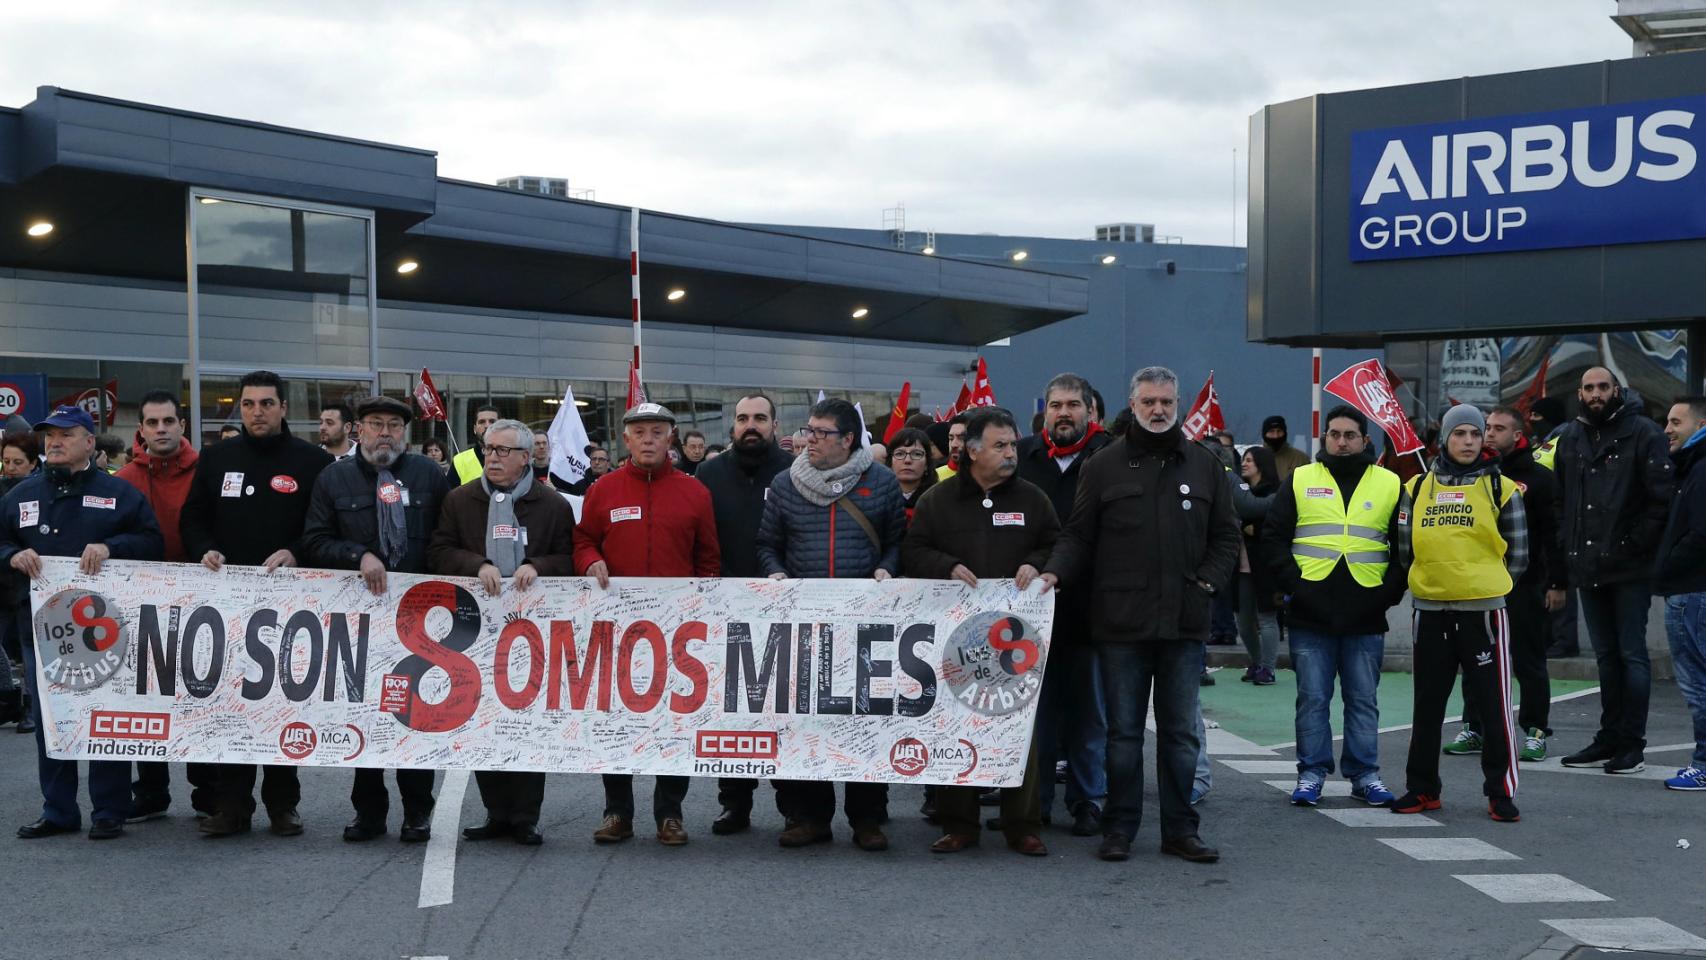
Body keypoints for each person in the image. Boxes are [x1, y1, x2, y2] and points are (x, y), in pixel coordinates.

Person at [1041, 367, 1240, 864]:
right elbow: (1079, 536)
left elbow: (1226, 535)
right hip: (1121, 625)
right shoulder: (1103, 465)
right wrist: (1052, 574)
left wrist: (1208, 582)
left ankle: (1180, 830)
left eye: (1166, 402)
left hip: (1183, 623)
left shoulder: (1204, 464)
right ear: (1132, 403)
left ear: (1177, 406)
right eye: (1149, 401)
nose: (1158, 410)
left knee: (1180, 735)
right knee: (1123, 734)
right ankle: (1120, 829)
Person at [180, 370, 333, 838]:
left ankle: (283, 805)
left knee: (283, 702)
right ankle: (232, 807)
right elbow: (193, 518)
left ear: (284, 407)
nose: (257, 412)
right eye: (248, 404)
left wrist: (296, 551)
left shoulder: (312, 461)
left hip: (290, 604)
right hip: (227, 605)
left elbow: (321, 526)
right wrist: (203, 547)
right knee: (232, 707)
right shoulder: (217, 457)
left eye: (266, 403)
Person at [1, 405, 163, 839]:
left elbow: (152, 541)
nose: (54, 441)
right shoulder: (21, 496)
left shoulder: (120, 494)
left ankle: (109, 810)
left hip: (104, 632)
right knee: (51, 717)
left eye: (66, 434)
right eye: (49, 435)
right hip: (41, 630)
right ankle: (58, 811)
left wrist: (112, 547)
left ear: (89, 442)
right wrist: (10, 555)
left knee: (104, 715)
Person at [903, 406, 1058, 857]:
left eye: (1012, 444)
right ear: (972, 452)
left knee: (1020, 727)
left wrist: (1040, 563)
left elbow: (1057, 542)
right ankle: (959, 823)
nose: (1011, 452)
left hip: (1017, 640)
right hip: (959, 639)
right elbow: (914, 550)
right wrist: (945, 567)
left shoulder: (1032, 499)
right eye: (1000, 445)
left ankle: (1022, 823)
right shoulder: (938, 499)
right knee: (957, 725)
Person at [757, 397, 906, 851]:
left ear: (847, 439)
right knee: (805, 721)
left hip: (865, 626)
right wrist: (774, 574)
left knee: (864, 721)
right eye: (809, 430)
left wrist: (887, 570)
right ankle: (807, 816)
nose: (809, 440)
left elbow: (898, 542)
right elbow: (768, 544)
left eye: (821, 433)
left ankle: (867, 818)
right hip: (803, 626)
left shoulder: (880, 482)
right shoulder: (785, 484)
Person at [302, 395, 452, 843]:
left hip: (419, 620)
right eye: (374, 424)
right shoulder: (334, 477)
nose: (384, 432)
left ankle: (418, 812)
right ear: (357, 430)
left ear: (405, 433)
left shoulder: (429, 475)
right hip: (358, 622)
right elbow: (314, 540)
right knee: (366, 715)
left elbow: (446, 538)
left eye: (393, 425)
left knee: (416, 713)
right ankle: (367, 812)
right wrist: (358, 554)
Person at [573, 402, 718, 846]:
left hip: (678, 632)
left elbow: (709, 559)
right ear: (628, 439)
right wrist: (592, 561)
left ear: (671, 437)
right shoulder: (604, 489)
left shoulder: (695, 492)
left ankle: (669, 813)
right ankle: (617, 811)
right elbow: (582, 540)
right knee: (615, 718)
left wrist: (703, 602)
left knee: (673, 720)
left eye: (657, 431)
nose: (649, 439)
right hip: (615, 629)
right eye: (640, 432)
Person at [428, 418, 575, 845]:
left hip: (534, 631)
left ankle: (525, 816)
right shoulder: (460, 500)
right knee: (484, 719)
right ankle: (496, 813)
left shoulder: (552, 505)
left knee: (526, 722)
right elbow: (438, 550)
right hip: (474, 629)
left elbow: (569, 557)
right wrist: (477, 565)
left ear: (526, 458)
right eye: (488, 448)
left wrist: (538, 566)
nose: (492, 457)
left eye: (503, 451)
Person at [1392, 404, 1528, 822]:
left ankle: (1499, 792)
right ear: (1445, 439)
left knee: (1494, 707)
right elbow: (1403, 551)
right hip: (1430, 613)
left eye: (1475, 433)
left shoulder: (1502, 489)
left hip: (1483, 615)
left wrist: (1480, 586)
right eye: (1460, 434)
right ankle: (1422, 790)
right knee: (1426, 707)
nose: (1469, 441)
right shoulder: (1415, 489)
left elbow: (1519, 555)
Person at [1264, 405, 1404, 807]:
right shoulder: (1301, 479)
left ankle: (1365, 775)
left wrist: (1384, 596)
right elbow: (1273, 539)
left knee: (1363, 699)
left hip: (1365, 610)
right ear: (1324, 438)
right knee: (1312, 697)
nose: (1341, 442)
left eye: (1349, 435)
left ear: (1364, 439)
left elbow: (1405, 551)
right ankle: (1311, 773)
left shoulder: (1390, 483)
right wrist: (1296, 588)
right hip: (1310, 611)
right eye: (1333, 434)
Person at [1554, 368, 1674, 775]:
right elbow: (1562, 500)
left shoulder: (1644, 432)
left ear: (1617, 390)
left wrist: (1630, 546)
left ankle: (1631, 745)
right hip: (1588, 564)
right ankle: (1607, 738)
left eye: (1603, 387)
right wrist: (1566, 551)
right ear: (1580, 393)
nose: (1595, 393)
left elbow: (1661, 501)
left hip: (1629, 567)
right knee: (1606, 657)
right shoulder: (1570, 436)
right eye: (1588, 388)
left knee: (1631, 655)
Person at [115, 390, 217, 821]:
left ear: (182, 426)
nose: (161, 429)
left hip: (201, 603)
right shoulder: (122, 480)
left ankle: (204, 791)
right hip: (141, 606)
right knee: (147, 700)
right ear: (141, 429)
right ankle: (152, 789)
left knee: (199, 697)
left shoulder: (207, 473)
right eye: (152, 422)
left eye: (168, 422)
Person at [1014, 372, 1109, 835]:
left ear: (1090, 411)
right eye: (1056, 405)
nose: (1064, 413)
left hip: (1092, 611)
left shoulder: (1111, 455)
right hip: (1030, 614)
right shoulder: (1024, 458)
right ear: (1045, 411)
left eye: (1073, 405)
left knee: (1088, 716)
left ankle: (1088, 800)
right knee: (1035, 715)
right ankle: (1034, 804)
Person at [694, 394, 794, 835]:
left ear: (775, 423)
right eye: (741, 419)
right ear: (731, 426)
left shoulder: (795, 471)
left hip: (786, 605)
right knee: (732, 711)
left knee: (787, 710)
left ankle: (795, 806)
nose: (749, 425)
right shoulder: (709, 472)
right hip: (727, 608)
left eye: (759, 418)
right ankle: (734, 804)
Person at [1444, 407, 1562, 762]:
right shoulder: (1475, 476)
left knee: (1528, 660)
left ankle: (1535, 731)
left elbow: (1554, 534)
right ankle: (1474, 727)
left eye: (1498, 428)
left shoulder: (1539, 478)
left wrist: (1557, 582)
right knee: (1476, 656)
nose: (1489, 434)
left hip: (1525, 584)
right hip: (1478, 583)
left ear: (1518, 434)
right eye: (1486, 428)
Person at [1653, 396, 1706, 792]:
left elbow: (1700, 534)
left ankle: (1703, 764)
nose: (1667, 429)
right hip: (1691, 590)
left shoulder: (1701, 468)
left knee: (1697, 685)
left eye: (1676, 421)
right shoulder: (1693, 467)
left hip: (1692, 592)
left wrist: (1665, 567)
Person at [0, 431, 40, 732]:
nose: (10, 467)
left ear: (31, 464)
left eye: (17, 462)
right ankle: (9, 699)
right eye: (6, 462)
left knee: (27, 651)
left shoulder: (38, 491)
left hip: (27, 586)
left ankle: (29, 706)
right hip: (2, 582)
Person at [1236, 444, 1282, 684]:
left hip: (1265, 567)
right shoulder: (1239, 492)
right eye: (1243, 459)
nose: (1244, 463)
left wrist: (1253, 527)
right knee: (1243, 622)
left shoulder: (1275, 493)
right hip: (1242, 568)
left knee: (1266, 618)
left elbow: (1278, 527)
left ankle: (1268, 668)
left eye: (1250, 460)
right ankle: (1256, 661)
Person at [888, 427, 937, 524]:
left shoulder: (938, 500)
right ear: (890, 462)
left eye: (916, 454)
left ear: (927, 463)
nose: (907, 460)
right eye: (899, 454)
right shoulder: (878, 500)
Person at [451, 403, 501, 485]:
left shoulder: (513, 457)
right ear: (475, 429)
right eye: (482, 422)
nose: (487, 426)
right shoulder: (459, 461)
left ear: (501, 426)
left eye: (492, 421)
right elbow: (450, 496)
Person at [1262, 415, 1311, 480]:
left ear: (1285, 433)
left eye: (1279, 431)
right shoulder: (1254, 459)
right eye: (1271, 431)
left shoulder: (1300, 459)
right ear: (1264, 434)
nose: (1276, 436)